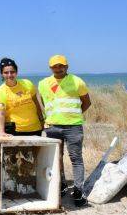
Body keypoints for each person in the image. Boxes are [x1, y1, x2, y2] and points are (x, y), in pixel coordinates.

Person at [38, 55, 92, 207]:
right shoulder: (43, 83)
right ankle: (61, 185)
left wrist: (73, 115)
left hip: (73, 126)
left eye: (61, 66)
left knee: (76, 159)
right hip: (52, 126)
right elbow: (44, 102)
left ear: (67, 66)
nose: (58, 68)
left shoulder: (77, 81)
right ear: (50, 68)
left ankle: (79, 191)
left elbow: (87, 102)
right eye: (55, 66)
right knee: (56, 158)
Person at [0, 58, 44, 136]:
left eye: (12, 72)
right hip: (15, 131)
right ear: (2, 74)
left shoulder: (27, 83)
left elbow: (36, 103)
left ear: (16, 72)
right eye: (6, 72)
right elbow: (1, 114)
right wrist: (2, 131)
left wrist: (42, 120)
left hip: (35, 128)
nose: (9, 75)